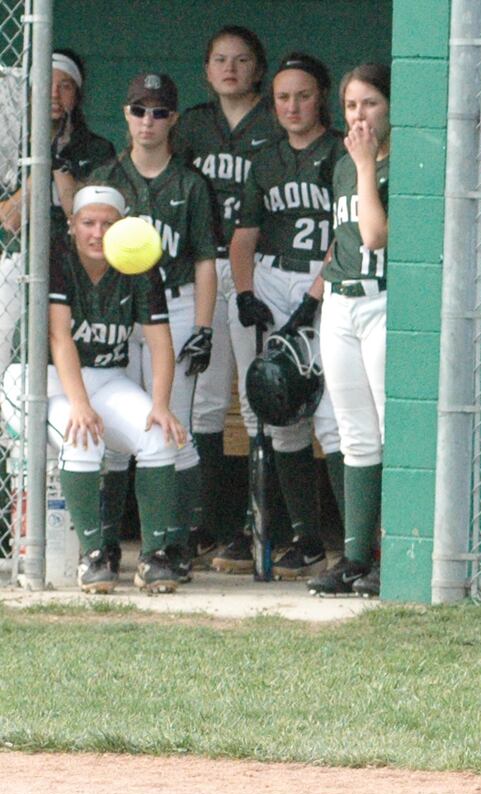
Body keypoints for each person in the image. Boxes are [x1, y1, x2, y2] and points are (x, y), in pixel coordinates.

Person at [0, 186, 186, 592]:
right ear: (72, 226)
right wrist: (81, 406)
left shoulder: (138, 263)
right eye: (88, 223)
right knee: (82, 436)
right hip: (38, 378)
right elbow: (58, 337)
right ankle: (94, 555)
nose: (97, 233)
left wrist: (161, 404)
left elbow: (160, 342)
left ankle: (153, 557)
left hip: (105, 375)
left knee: (158, 434)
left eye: (108, 223)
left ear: (123, 226)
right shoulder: (58, 258)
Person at [90, 72, 217, 581]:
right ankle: (105, 544)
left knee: (173, 425)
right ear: (126, 114)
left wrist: (204, 325)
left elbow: (207, 259)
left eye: (160, 111)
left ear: (174, 119)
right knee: (115, 428)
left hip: (178, 304)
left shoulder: (190, 183)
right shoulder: (106, 179)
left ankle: (173, 544)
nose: (149, 120)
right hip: (120, 314)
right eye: (139, 109)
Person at [228, 53, 346, 581]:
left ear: (319, 96)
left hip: (328, 279)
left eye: (302, 95)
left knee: (334, 418)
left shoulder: (342, 152)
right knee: (279, 413)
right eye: (282, 97)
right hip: (272, 278)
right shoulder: (266, 160)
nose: (293, 105)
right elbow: (244, 238)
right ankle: (306, 539)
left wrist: (315, 298)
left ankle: (358, 542)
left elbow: (346, 233)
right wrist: (247, 290)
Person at [173, 25, 283, 568]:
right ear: (207, 69)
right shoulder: (192, 123)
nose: (231, 68)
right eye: (220, 59)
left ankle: (258, 523)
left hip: (256, 266)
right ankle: (208, 523)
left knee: (258, 393)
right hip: (201, 262)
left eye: (242, 59)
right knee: (208, 399)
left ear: (258, 69)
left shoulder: (275, 117)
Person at [307, 64, 390, 598]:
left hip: (384, 299)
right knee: (353, 432)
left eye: (371, 104)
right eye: (352, 106)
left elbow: (376, 235)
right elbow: (340, 240)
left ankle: (394, 553)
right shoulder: (341, 166)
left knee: (390, 427)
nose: (360, 115)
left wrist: (364, 164)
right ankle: (356, 555)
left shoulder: (394, 160)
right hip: (340, 303)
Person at [0, 50, 115, 366]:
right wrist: (41, 157)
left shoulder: (96, 147)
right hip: (20, 255)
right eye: (45, 83)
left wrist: (60, 160)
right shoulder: (11, 145)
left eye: (64, 86)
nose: (53, 92)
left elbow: (78, 215)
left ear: (76, 97)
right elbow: (11, 220)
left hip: (74, 259)